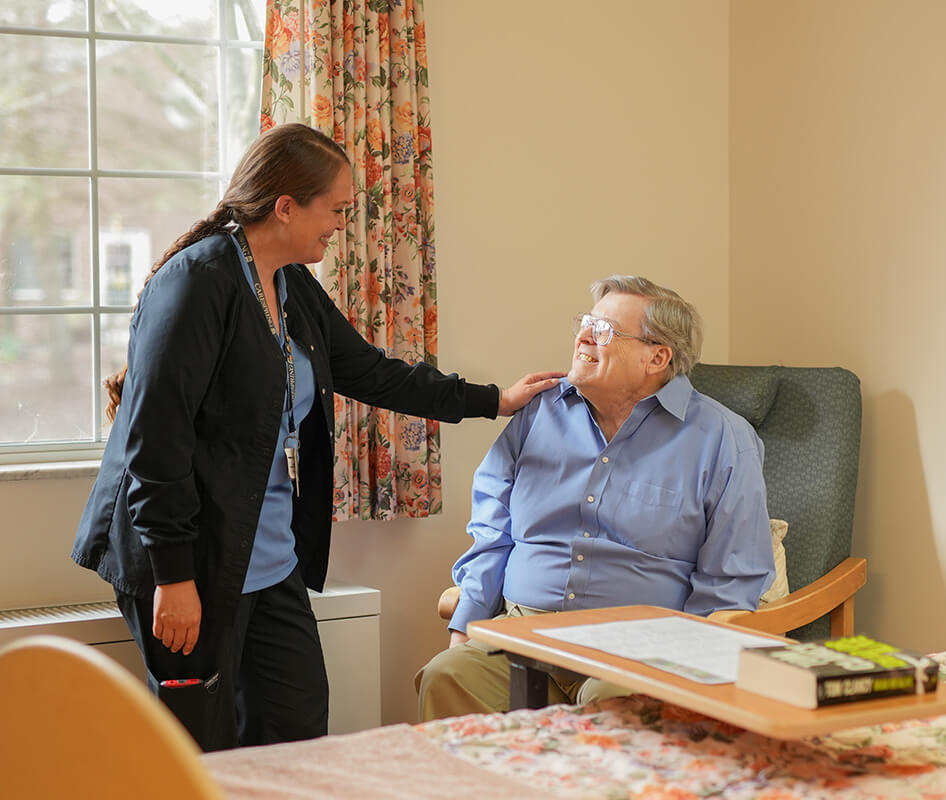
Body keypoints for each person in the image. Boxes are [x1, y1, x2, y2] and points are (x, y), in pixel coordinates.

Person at [71, 122, 561, 752]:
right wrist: (174, 576)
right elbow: (154, 448)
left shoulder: (289, 282)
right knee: (203, 746)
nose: (341, 225)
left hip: (268, 553)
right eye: (335, 209)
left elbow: (369, 371)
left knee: (297, 726)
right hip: (190, 557)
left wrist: (492, 400)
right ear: (285, 207)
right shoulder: (198, 283)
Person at [415, 276, 775, 721]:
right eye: (585, 323)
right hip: (524, 633)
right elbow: (493, 533)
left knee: (617, 707)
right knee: (447, 676)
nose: (584, 336)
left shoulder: (722, 438)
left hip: (642, 648)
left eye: (604, 330)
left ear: (657, 357)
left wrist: (686, 664)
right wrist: (465, 627)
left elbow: (732, 578)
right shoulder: (538, 414)